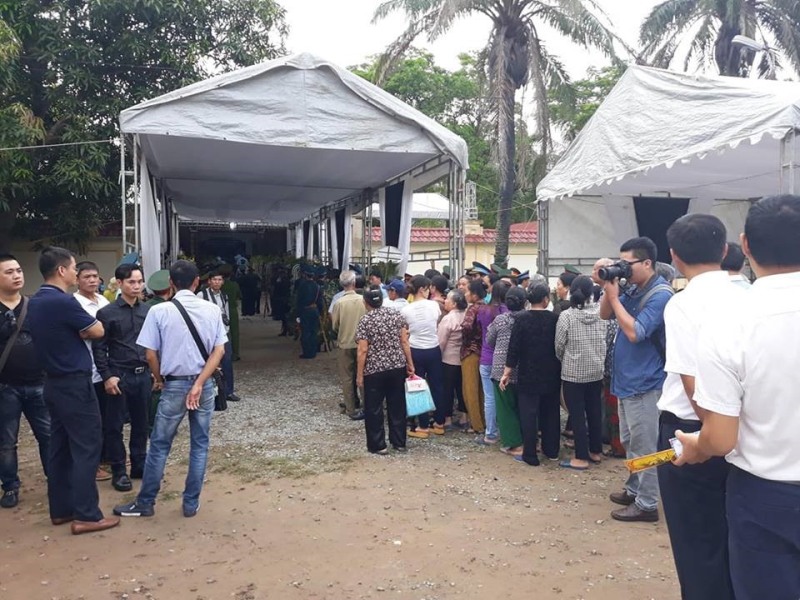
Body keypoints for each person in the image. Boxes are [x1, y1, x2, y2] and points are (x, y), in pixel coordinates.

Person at [675, 195, 800, 600]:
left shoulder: (728, 323)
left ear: (744, 245)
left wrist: (697, 445)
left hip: (767, 497)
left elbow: (721, 438)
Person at [652, 214, 738, 600]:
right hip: (742, 430)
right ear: (725, 249)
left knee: (695, 540)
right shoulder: (748, 295)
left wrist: (709, 439)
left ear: (673, 255)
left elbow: (692, 386)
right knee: (733, 533)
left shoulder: (683, 304)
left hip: (693, 431)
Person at [114, 260, 226, 519]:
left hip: (173, 384)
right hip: (204, 385)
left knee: (160, 444)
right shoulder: (211, 310)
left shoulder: (159, 311)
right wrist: (199, 383)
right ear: (197, 282)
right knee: (199, 445)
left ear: (171, 283)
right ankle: (190, 503)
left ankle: (146, 502)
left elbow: (150, 353)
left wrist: (159, 378)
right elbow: (219, 351)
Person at [27, 246, 119, 534]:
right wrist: (84, 330)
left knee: (60, 447)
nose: (76, 272)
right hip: (74, 383)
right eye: (74, 268)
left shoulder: (36, 300)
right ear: (61, 270)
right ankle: (87, 514)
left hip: (52, 382)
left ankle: (62, 509)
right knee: (87, 447)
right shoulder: (63, 301)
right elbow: (98, 330)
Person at [599, 236, 673, 523]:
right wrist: (609, 289)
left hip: (645, 384)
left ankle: (647, 503)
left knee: (645, 446)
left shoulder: (660, 294)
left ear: (647, 263)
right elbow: (605, 314)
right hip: (627, 382)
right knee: (630, 441)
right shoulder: (632, 288)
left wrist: (615, 297)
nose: (623, 269)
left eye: (627, 264)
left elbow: (635, 332)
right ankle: (634, 488)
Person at [92, 264, 151, 492]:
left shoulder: (147, 311)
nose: (136, 286)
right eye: (131, 282)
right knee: (114, 425)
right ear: (119, 283)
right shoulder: (107, 313)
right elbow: (99, 349)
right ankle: (118, 470)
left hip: (143, 373)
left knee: (141, 423)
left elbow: (154, 344)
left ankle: (139, 464)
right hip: (119, 375)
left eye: (139, 281)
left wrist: (157, 373)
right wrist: (107, 376)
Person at [0, 254, 49, 509]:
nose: (17, 275)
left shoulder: (34, 306)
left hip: (39, 383)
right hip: (5, 387)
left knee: (48, 436)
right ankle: (10, 486)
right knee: (6, 442)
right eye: (9, 272)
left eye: (18, 270)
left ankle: (56, 480)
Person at [501, 283, 561, 466]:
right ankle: (551, 450)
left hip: (528, 372)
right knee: (551, 412)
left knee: (528, 414)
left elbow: (514, 347)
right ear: (545, 300)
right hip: (551, 371)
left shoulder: (521, 319)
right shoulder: (555, 318)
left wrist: (507, 372)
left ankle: (530, 454)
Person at [355, 286, 415, 454]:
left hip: (374, 369)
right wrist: (410, 363)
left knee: (374, 408)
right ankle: (399, 442)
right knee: (397, 405)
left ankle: (378, 444)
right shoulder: (396, 315)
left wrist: (359, 375)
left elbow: (362, 350)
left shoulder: (365, 320)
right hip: (396, 365)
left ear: (365, 302)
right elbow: (404, 341)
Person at [555, 275, 606, 470]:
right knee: (594, 411)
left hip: (573, 372)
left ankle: (581, 457)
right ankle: (595, 451)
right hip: (596, 370)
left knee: (577, 415)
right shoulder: (601, 313)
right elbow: (606, 340)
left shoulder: (567, 316)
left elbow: (559, 346)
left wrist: (566, 360)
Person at [72, 261, 112, 482]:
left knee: (106, 417)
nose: (92, 280)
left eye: (95, 276)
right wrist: (99, 331)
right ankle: (91, 464)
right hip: (85, 367)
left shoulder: (104, 301)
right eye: (86, 277)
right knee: (87, 421)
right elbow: (79, 332)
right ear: (77, 279)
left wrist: (97, 331)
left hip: (104, 368)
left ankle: (106, 456)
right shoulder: (73, 303)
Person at [402, 276, 445, 437]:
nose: (429, 292)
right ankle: (439, 423)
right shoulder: (434, 305)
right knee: (437, 386)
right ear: (422, 289)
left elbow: (406, 330)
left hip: (416, 350)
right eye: (427, 289)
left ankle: (423, 426)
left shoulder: (406, 310)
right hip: (433, 348)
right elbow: (437, 320)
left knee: (418, 386)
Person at [488, 287, 526, 457]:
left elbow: (490, 340)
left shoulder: (500, 320)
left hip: (501, 368)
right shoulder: (528, 318)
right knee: (524, 406)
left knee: (505, 408)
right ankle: (528, 440)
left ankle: (514, 444)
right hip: (524, 368)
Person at [476, 280, 510, 445]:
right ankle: (508, 433)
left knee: (489, 398)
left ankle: (490, 433)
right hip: (505, 360)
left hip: (486, 357)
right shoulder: (509, 312)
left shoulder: (483, 310)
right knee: (506, 398)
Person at [198, 271, 239, 402]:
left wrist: (226, 329)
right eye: (214, 279)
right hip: (207, 334)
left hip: (222, 333)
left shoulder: (223, 296)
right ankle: (207, 391)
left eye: (219, 280)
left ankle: (228, 391)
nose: (217, 282)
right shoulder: (202, 295)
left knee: (227, 361)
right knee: (208, 362)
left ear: (222, 282)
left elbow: (226, 313)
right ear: (209, 281)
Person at [331, 270, 366, 419]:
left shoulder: (339, 303)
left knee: (347, 377)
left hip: (345, 343)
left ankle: (351, 408)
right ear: (354, 283)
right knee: (363, 374)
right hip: (362, 344)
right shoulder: (363, 300)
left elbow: (335, 325)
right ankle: (367, 406)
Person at [438, 289, 467, 429]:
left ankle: (447, 418)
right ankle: (464, 417)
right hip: (463, 358)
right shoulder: (467, 315)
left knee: (447, 389)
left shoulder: (448, 319)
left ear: (454, 303)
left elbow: (441, 341)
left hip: (448, 359)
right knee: (462, 389)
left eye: (448, 299)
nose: (445, 301)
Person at [460, 280, 486, 434]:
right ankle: (483, 421)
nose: (465, 294)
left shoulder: (473, 309)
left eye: (468, 291)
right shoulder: (487, 307)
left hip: (470, 352)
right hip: (484, 352)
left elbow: (466, 327)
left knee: (470, 390)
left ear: (475, 295)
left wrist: (468, 341)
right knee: (482, 390)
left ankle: (476, 425)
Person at [295, 265, 323, 359]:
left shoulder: (302, 286)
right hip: (314, 311)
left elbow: (299, 301)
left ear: (305, 275)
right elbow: (320, 301)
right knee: (314, 331)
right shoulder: (317, 286)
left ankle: (307, 352)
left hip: (305, 311)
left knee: (305, 331)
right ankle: (313, 351)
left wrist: (297, 314)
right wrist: (320, 312)